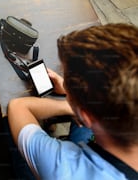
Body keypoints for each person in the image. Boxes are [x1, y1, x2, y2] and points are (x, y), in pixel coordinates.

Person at [8, 23, 138, 180]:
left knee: (8, 129)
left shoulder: (65, 168)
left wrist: (69, 105)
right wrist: (78, 100)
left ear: (87, 116)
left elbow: (18, 106)